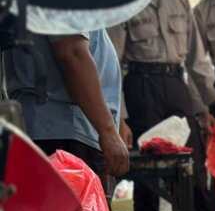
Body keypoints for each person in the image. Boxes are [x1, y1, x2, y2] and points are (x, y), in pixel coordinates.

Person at [108, 0, 215, 211]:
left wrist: (211, 102)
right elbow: (113, 63)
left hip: (175, 86)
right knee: (145, 177)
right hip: (141, 89)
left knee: (193, 168)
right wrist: (118, 116)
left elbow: (196, 60)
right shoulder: (123, 1)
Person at [3, 30, 128, 180]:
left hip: (64, 131)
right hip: (64, 136)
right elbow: (72, 53)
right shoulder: (66, 6)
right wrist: (108, 131)